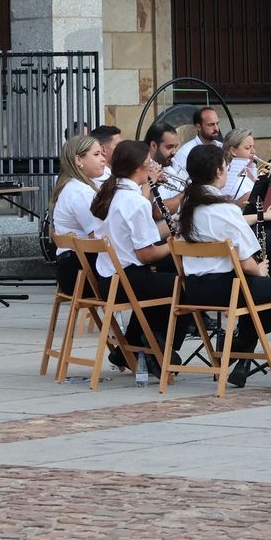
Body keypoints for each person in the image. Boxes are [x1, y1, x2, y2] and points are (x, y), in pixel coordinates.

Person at [175, 145, 271, 388]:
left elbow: (219, 224)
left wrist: (261, 217)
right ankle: (241, 344)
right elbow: (245, 261)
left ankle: (242, 344)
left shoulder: (187, 204)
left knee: (261, 289)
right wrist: (259, 270)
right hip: (226, 290)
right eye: (227, 168)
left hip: (193, 289)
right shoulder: (225, 208)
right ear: (219, 171)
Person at [87, 141, 184, 369]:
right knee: (185, 285)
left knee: (162, 282)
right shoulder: (135, 202)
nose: (152, 167)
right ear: (139, 167)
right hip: (126, 281)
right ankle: (163, 348)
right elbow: (146, 255)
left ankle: (129, 349)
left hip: (107, 280)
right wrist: (175, 245)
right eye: (149, 163)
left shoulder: (108, 193)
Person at [49, 133, 109, 292]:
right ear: (78, 160)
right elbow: (97, 237)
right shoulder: (81, 192)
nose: (103, 159)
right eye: (96, 154)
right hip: (82, 274)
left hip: (71, 270)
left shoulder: (73, 186)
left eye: (102, 153)